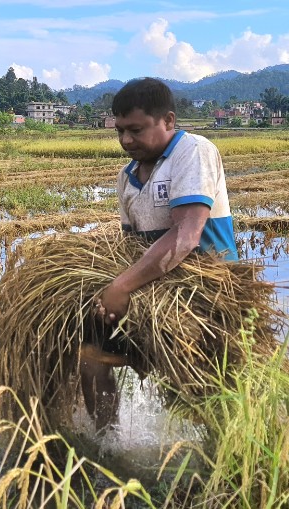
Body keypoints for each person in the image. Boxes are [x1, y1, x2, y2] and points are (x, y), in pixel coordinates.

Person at [81, 77, 238, 431]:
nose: (125, 140)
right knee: (90, 357)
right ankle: (106, 442)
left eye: (135, 130)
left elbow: (185, 235)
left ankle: (219, 454)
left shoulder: (192, 152)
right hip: (150, 286)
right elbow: (131, 244)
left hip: (202, 290)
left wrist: (121, 288)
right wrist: (112, 294)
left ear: (167, 120)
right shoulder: (127, 176)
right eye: (119, 131)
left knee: (203, 385)